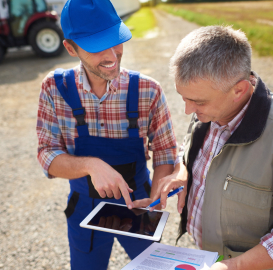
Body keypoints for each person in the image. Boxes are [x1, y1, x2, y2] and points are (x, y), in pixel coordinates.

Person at [150, 25, 273, 270]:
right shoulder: (212, 108)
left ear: (239, 90)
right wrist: (183, 170)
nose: (188, 110)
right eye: (183, 97)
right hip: (207, 257)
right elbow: (190, 145)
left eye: (197, 101)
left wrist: (232, 267)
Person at [35, 0, 177, 269]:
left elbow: (165, 152)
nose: (113, 55)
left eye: (116, 40)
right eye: (97, 46)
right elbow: (46, 155)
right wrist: (90, 165)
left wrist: (156, 198)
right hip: (83, 208)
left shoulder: (148, 90)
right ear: (70, 48)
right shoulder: (54, 89)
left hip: (139, 204)